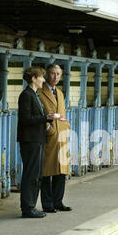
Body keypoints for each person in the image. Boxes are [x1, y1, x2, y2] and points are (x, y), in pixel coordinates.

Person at [17, 67, 61, 218]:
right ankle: (28, 208)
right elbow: (25, 119)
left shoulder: (34, 95)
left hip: (38, 139)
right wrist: (46, 117)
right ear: (34, 79)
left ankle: (31, 206)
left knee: (36, 174)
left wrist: (48, 117)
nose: (43, 80)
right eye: (41, 77)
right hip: (30, 140)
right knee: (31, 174)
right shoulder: (26, 95)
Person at [38, 64, 72, 213]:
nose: (55, 77)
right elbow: (40, 113)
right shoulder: (40, 92)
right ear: (47, 75)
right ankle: (47, 203)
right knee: (47, 171)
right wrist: (48, 128)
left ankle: (58, 201)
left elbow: (62, 113)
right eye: (52, 74)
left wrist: (67, 127)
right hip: (50, 137)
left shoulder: (60, 93)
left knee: (61, 171)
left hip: (62, 135)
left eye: (58, 74)